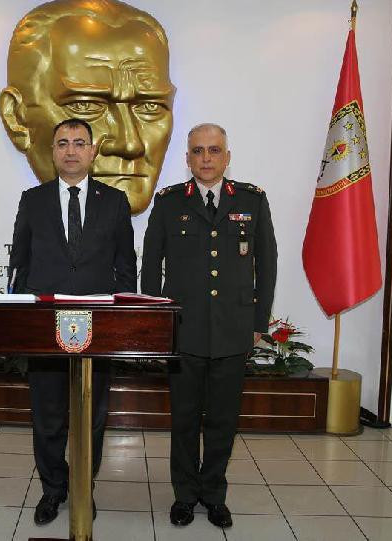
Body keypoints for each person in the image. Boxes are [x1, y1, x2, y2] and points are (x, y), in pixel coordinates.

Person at [141, 123, 277, 529]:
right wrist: (157, 320)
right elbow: (151, 264)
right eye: (198, 151)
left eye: (214, 150)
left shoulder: (252, 200)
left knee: (223, 420)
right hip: (184, 329)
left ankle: (214, 494)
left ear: (226, 157)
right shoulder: (168, 202)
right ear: (187, 158)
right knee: (183, 420)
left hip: (233, 329)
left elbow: (267, 264)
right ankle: (185, 495)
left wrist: (258, 321)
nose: (205, 158)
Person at [9, 118, 137, 526]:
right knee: (47, 417)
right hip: (45, 329)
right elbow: (19, 265)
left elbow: (126, 267)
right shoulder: (33, 200)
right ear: (52, 151)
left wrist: (122, 320)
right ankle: (53, 489)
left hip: (97, 330)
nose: (71, 150)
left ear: (93, 151)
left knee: (91, 418)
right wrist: (22, 318)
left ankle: (83, 488)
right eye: (62, 143)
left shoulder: (114, 202)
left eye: (79, 143)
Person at [0, 0, 175, 214]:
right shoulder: (32, 209)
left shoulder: (169, 218)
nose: (130, 145)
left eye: (149, 107)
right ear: (16, 118)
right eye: (85, 105)